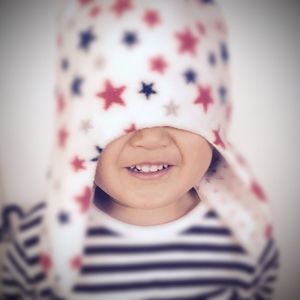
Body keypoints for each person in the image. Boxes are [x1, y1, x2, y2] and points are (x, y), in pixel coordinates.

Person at [1, 0, 279, 299]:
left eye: (178, 114)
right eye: (119, 120)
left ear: (215, 126)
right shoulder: (37, 244)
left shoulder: (246, 239)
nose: (150, 139)